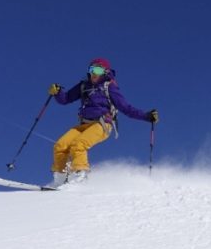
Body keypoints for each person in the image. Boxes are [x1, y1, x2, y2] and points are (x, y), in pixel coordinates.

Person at [46, 58, 158, 186]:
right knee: (60, 145)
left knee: (78, 144)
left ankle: (80, 177)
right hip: (84, 124)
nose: (94, 73)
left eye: (98, 70)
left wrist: (147, 116)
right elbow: (65, 99)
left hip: (102, 124)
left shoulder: (109, 87)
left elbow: (126, 108)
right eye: (91, 69)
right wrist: (58, 92)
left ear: (105, 72)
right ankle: (60, 180)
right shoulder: (84, 86)